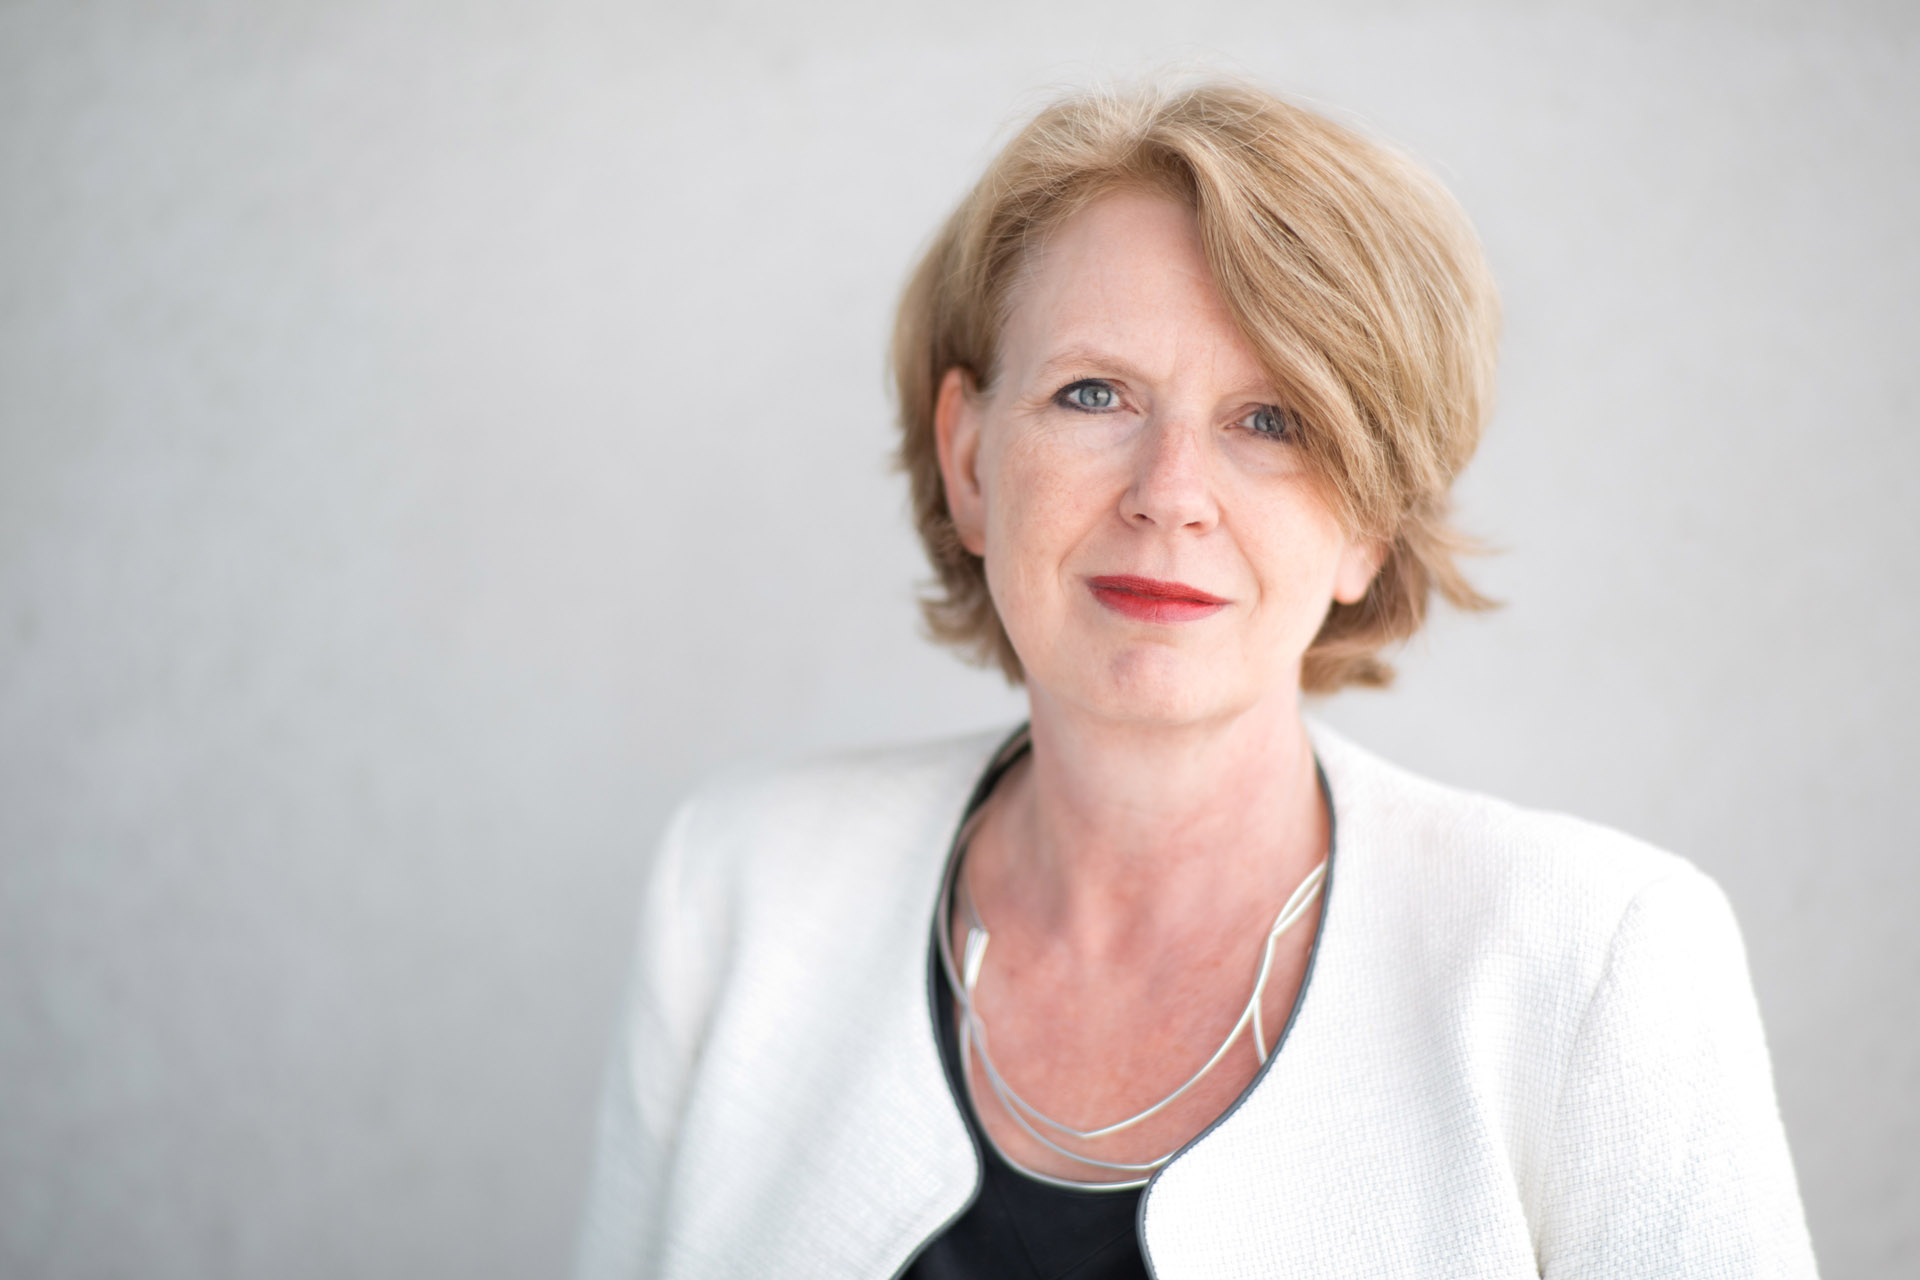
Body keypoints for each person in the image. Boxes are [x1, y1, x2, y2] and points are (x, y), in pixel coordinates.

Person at [574, 80, 1817, 1279]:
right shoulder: (739, 885)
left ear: (1370, 521)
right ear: (969, 461)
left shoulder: (1596, 960)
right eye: (1093, 393)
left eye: (1272, 420)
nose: (1169, 494)